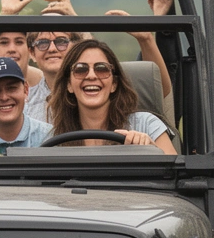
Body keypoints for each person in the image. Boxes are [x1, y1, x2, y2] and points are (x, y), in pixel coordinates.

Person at [46, 39, 177, 155]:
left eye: (101, 69)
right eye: (80, 69)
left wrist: (152, 151)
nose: (91, 76)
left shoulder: (146, 124)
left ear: (114, 84)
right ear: (69, 84)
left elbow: (175, 175)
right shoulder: (55, 139)